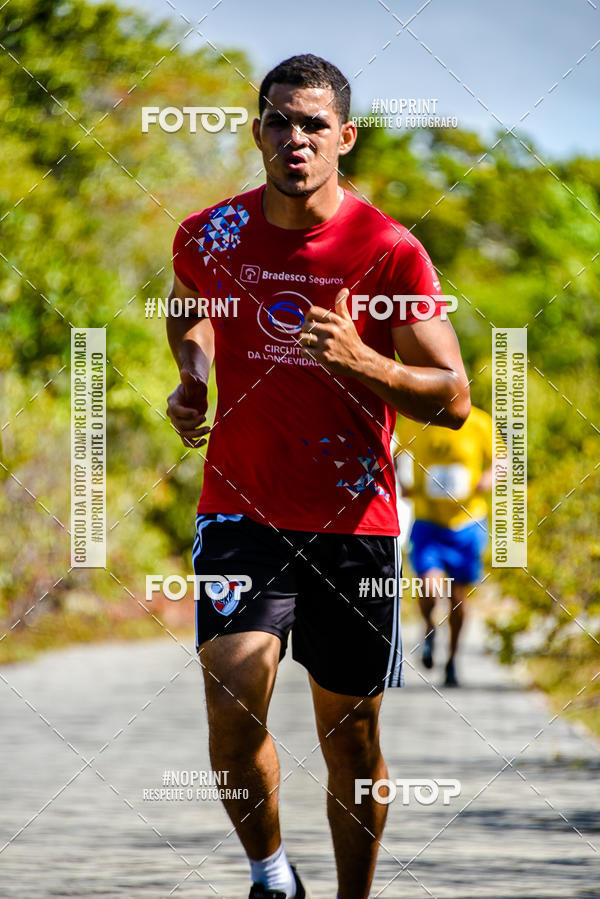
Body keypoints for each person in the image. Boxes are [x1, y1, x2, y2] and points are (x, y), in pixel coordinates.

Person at [165, 53, 470, 899]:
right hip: (242, 511)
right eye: (277, 121)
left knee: (350, 735)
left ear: (344, 136)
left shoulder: (389, 252)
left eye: (312, 125)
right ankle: (271, 876)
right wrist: (195, 374)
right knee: (232, 700)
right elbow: (190, 304)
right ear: (256, 129)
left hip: (354, 527)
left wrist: (366, 360)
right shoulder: (210, 233)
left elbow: (451, 397)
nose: (293, 140)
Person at [393, 406, 493, 687]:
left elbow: (502, 460)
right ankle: (428, 627)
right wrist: (401, 483)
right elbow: (396, 453)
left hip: (467, 522)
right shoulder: (416, 420)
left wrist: (488, 478)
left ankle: (451, 660)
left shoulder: (479, 422)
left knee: (458, 598)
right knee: (429, 585)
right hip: (428, 520)